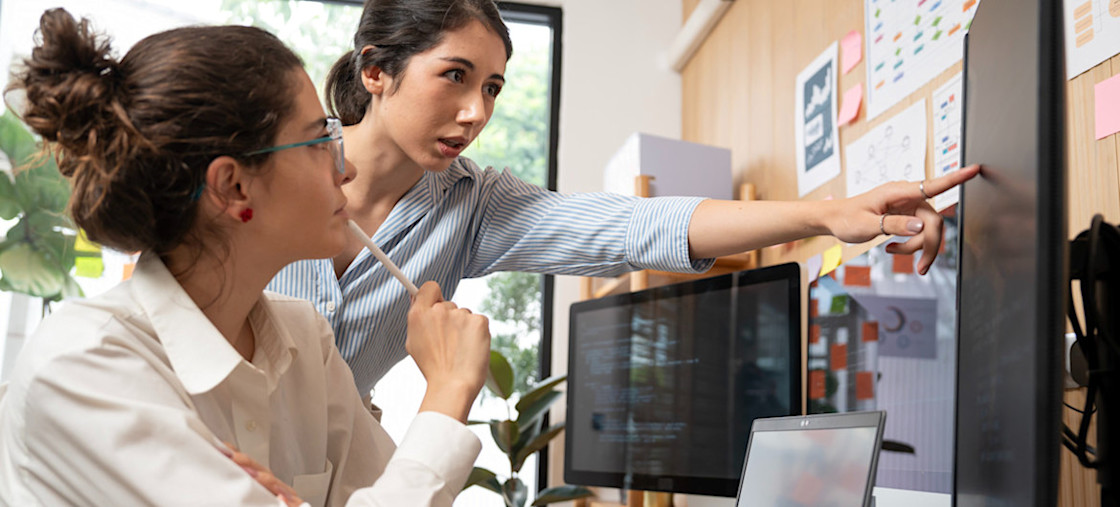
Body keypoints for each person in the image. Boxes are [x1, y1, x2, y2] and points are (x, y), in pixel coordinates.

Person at [267, 0, 980, 397]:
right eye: (454, 76)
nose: (476, 112)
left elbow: (637, 226)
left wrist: (826, 212)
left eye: (490, 88)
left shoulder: (473, 205)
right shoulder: (269, 154)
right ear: (377, 71)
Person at [0, 9, 491, 506]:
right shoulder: (85, 369)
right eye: (321, 139)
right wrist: (448, 393)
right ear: (233, 186)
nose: (346, 169)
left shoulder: (306, 341)